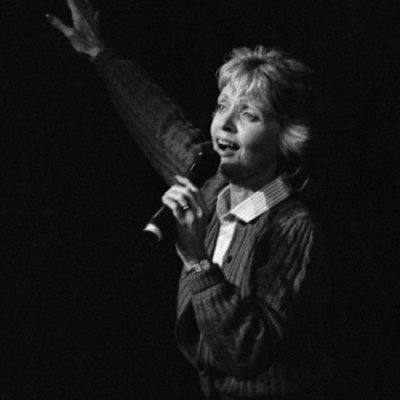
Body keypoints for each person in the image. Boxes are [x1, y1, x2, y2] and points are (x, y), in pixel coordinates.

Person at [47, 1, 333, 399]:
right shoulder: (213, 183)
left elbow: (248, 353)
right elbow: (161, 123)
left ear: (288, 138)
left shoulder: (294, 226)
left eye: (248, 114)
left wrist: (198, 261)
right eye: (222, 105)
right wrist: (101, 55)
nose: (224, 122)